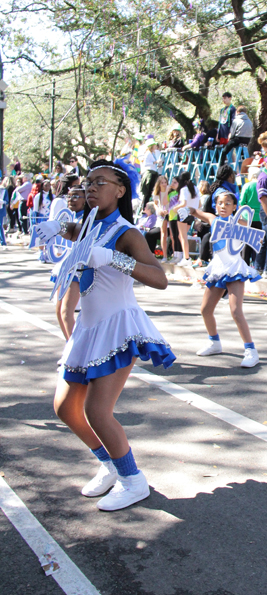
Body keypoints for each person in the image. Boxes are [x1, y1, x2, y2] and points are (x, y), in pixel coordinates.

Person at [34, 159, 175, 511]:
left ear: (120, 190)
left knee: (98, 411)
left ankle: (133, 480)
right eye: (88, 183)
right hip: (88, 329)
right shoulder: (87, 225)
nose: (92, 188)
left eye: (100, 182)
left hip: (117, 327)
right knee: (65, 408)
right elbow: (72, 231)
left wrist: (113, 258)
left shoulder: (127, 233)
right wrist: (56, 225)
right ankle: (109, 464)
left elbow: (160, 279)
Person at [185, 190, 261, 367]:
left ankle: (251, 350)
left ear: (235, 206)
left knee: (235, 311)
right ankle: (214, 342)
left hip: (234, 268)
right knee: (205, 309)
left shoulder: (240, 222)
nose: (223, 206)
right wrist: (186, 208)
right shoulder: (213, 219)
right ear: (215, 205)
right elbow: (196, 212)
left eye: (228, 203)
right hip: (218, 268)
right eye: (220, 203)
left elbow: (255, 236)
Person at [55, 185, 86, 340]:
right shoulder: (70, 216)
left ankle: (75, 353)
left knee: (66, 313)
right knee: (59, 311)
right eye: (69, 196)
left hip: (78, 269)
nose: (71, 199)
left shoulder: (86, 219)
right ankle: (70, 347)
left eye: (76, 196)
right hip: (65, 266)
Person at [174, 172, 200, 267]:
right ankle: (186, 256)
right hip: (192, 214)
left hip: (183, 213)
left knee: (183, 237)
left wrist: (174, 208)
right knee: (182, 237)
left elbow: (183, 203)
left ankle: (186, 258)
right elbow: (199, 204)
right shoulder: (195, 188)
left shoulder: (184, 189)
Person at [239, 165, 263, 264]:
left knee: (246, 243)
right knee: (258, 243)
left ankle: (244, 263)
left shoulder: (247, 186)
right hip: (260, 217)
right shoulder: (262, 186)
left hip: (247, 217)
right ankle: (257, 265)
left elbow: (241, 202)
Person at [152, 175, 171, 260]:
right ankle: (164, 255)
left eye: (165, 182)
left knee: (171, 235)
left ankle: (171, 254)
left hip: (169, 213)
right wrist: (159, 210)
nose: (164, 184)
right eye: (162, 182)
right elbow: (155, 203)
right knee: (163, 234)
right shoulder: (157, 193)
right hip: (161, 215)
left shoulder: (170, 191)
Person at [139, 142, 161, 208]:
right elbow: (145, 163)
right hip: (150, 173)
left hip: (153, 172)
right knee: (148, 192)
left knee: (151, 191)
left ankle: (147, 207)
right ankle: (145, 207)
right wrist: (155, 162)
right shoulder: (148, 153)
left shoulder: (152, 153)